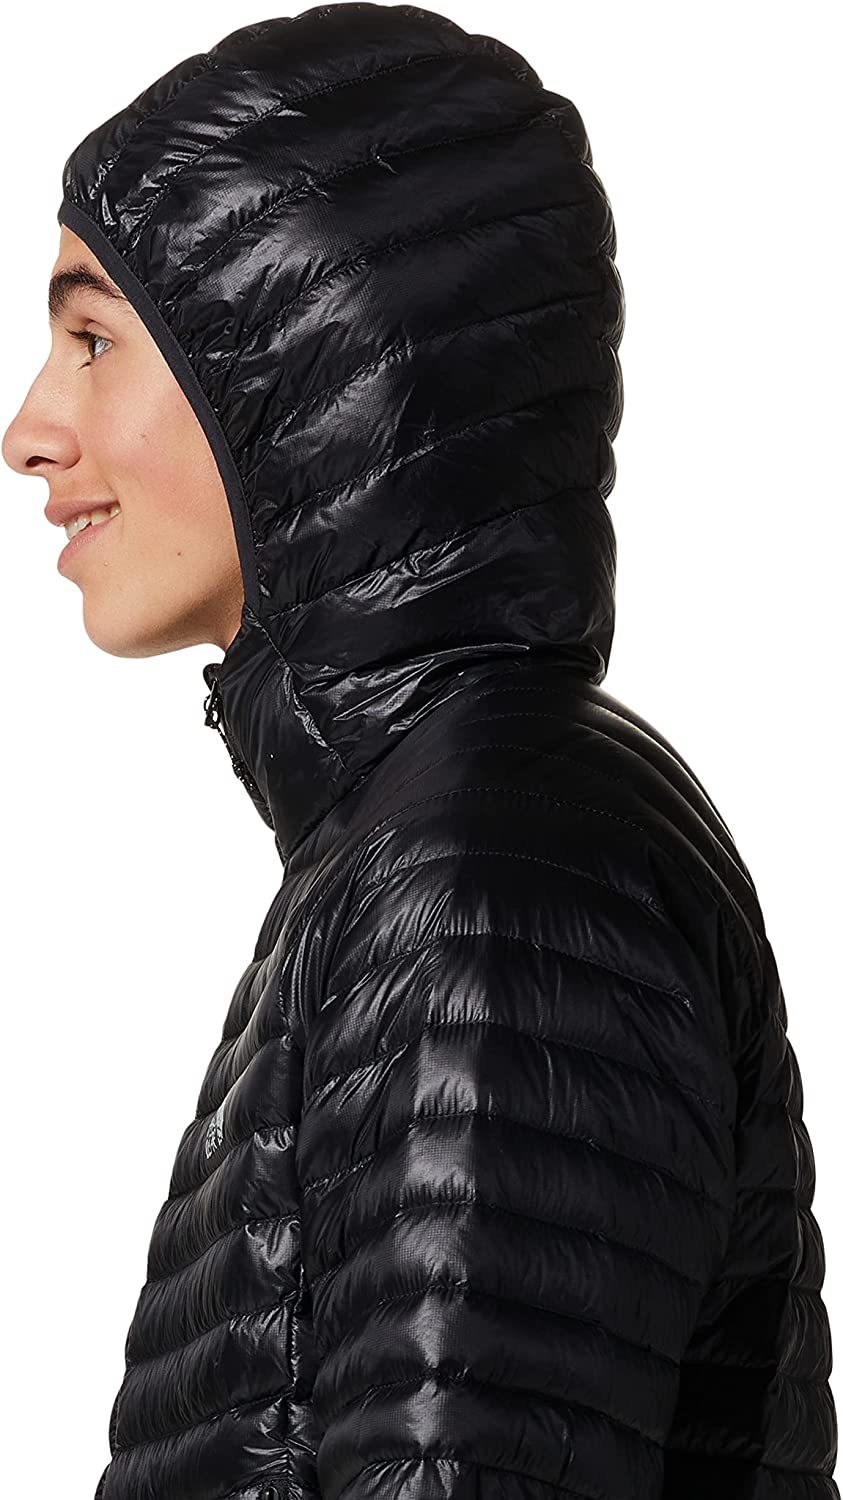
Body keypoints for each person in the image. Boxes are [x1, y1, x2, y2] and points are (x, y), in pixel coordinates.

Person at [3, 6, 838, 1499]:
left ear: (316, 362)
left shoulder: (484, 874)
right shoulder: (431, 841)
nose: (30, 431)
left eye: (92, 340)